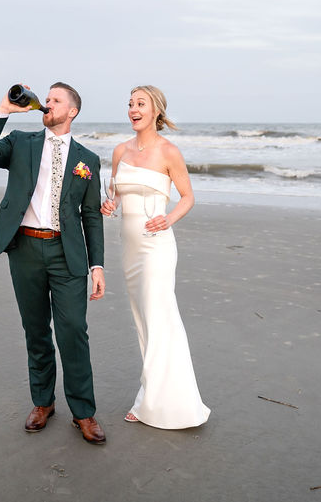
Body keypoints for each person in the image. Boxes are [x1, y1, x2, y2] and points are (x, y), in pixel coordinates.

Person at [0, 82, 108, 444]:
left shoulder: (88, 160)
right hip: (26, 249)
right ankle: (43, 403)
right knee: (36, 330)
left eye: (55, 100)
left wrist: (98, 266)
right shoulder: (20, 142)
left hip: (68, 254)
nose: (47, 104)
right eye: (45, 99)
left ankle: (84, 411)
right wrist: (3, 109)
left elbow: (92, 216)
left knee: (73, 331)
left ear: (72, 111)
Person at [100, 85, 210, 429]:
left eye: (140, 104)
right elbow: (116, 195)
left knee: (160, 316)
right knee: (143, 320)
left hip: (157, 245)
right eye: (130, 104)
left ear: (156, 112)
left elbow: (188, 197)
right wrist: (110, 204)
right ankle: (152, 394)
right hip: (129, 247)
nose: (133, 109)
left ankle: (165, 404)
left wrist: (169, 218)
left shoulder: (168, 152)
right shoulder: (120, 151)